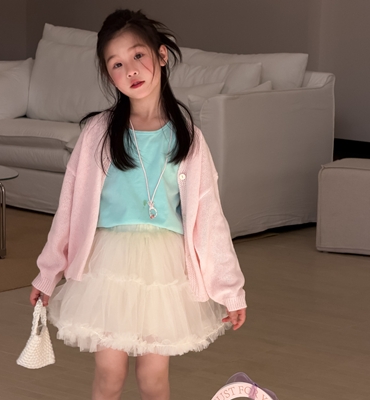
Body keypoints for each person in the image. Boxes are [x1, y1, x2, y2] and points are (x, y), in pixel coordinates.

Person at [30, 8, 247, 400]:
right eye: (116, 64)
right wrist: (48, 274)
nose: (130, 69)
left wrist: (229, 290)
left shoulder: (189, 138)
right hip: (106, 266)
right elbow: (70, 207)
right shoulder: (98, 133)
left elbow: (210, 220)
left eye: (138, 55)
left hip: (162, 270)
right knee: (109, 374)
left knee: (153, 379)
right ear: (108, 75)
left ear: (161, 55)